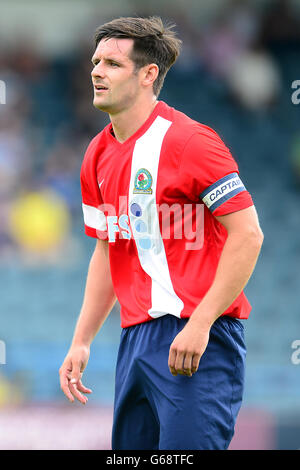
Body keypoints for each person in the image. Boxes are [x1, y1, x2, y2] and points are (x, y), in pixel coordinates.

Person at [59, 16, 264, 450]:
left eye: (113, 64)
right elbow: (106, 250)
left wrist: (202, 321)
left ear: (148, 74)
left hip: (197, 338)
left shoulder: (191, 141)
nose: (96, 71)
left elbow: (248, 235)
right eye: (95, 61)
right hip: (135, 340)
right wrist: (81, 341)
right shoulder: (96, 154)